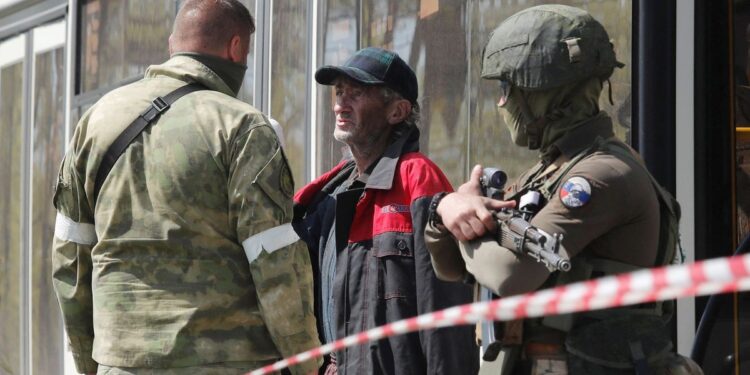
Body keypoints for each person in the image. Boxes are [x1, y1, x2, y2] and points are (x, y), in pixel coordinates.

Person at [425, 5, 702, 375]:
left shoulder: (602, 174)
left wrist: (462, 214)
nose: (502, 102)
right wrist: (446, 213)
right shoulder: (547, 172)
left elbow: (511, 276)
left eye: (508, 89)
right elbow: (451, 267)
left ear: (546, 94)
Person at [51, 1, 320, 374]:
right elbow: (275, 264)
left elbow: (70, 259)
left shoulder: (95, 121)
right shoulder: (242, 128)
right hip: (228, 363)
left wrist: (89, 363)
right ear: (236, 48)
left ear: (171, 44)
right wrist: (308, 362)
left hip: (122, 363)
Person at [292, 47, 478, 374]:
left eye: (357, 92)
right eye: (339, 92)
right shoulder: (325, 194)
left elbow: (444, 313)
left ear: (397, 112)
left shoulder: (417, 177)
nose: (340, 103)